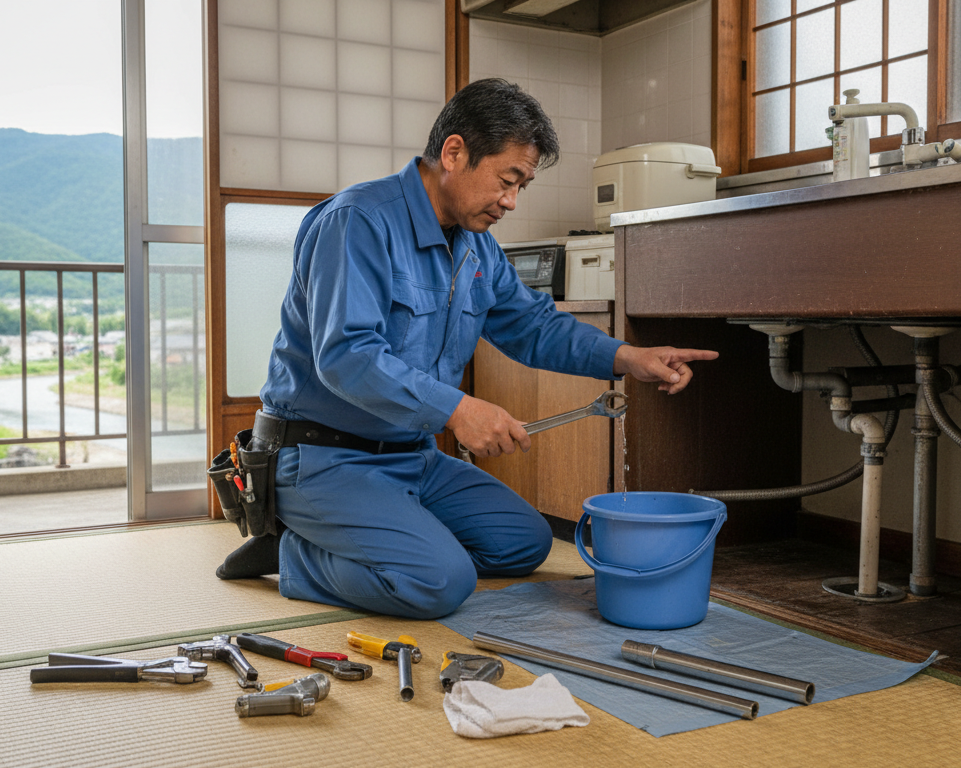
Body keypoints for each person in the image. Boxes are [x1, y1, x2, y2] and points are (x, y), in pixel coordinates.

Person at [215, 78, 718, 619]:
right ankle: (292, 552)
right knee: (439, 583)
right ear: (454, 152)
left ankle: (384, 534)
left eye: (522, 185)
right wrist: (457, 409)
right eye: (508, 180)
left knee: (524, 543)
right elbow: (346, 356)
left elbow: (534, 326)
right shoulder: (357, 221)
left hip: (411, 458)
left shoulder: (476, 247)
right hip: (321, 458)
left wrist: (627, 359)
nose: (512, 201)